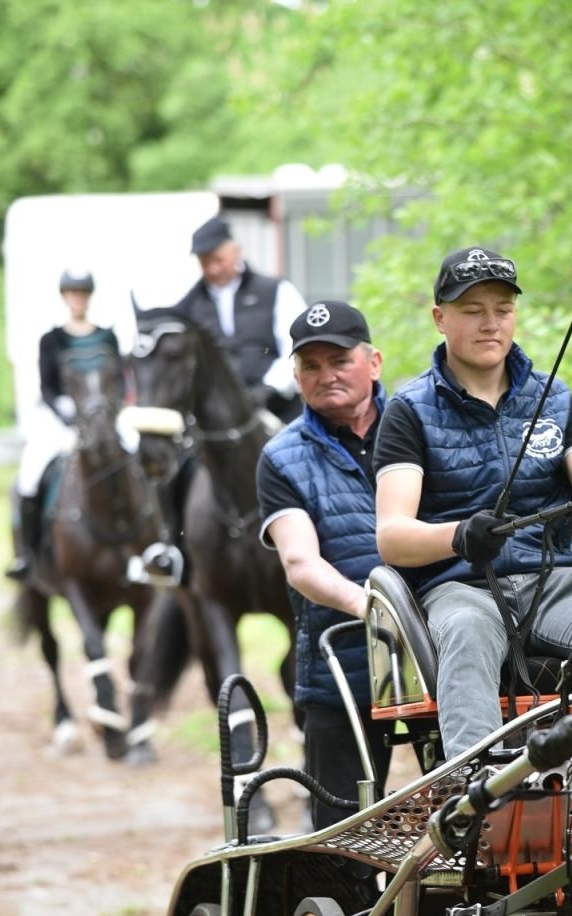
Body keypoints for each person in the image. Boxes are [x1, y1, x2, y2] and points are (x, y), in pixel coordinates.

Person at [374, 246, 572, 759]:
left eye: (503, 309)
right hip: (461, 590)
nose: (490, 324)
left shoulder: (557, 400)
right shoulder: (407, 412)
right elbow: (392, 537)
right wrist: (459, 535)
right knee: (466, 631)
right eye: (472, 310)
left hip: (558, 580)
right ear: (440, 318)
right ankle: (475, 794)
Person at [256, 300, 391, 828]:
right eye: (310, 366)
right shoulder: (281, 456)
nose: (325, 375)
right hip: (343, 662)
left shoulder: (419, 427)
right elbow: (300, 563)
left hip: (439, 657)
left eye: (339, 360)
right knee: (343, 833)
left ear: (373, 361)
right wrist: (376, 610)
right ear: (295, 375)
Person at [6, 269, 121, 582]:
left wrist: (110, 413)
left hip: (103, 420)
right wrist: (68, 415)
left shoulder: (107, 336)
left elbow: (119, 381)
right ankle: (27, 553)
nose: (77, 299)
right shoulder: (52, 340)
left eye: (82, 293)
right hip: (64, 421)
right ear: (64, 297)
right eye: (72, 293)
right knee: (29, 476)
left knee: (140, 459)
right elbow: (48, 388)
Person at [172, 217, 306, 424]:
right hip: (214, 417)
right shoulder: (188, 306)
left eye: (218, 260)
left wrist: (270, 388)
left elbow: (298, 346)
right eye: (204, 262)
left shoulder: (276, 291)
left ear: (236, 251)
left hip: (279, 407)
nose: (212, 269)